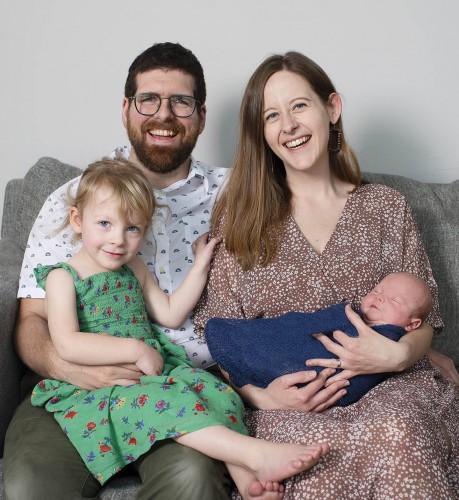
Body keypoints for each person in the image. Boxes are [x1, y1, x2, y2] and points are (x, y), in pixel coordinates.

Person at [193, 51, 459, 498]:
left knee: (398, 434)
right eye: (272, 115)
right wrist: (261, 397)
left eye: (299, 106)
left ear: (331, 108)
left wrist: (396, 357)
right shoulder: (239, 222)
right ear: (262, 134)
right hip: (286, 405)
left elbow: (424, 320)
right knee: (309, 456)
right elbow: (217, 335)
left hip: (390, 390)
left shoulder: (385, 208)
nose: (289, 125)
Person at [5, 42, 232, 500]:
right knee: (29, 484)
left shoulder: (238, 197)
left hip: (176, 385)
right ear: (126, 109)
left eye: (181, 102)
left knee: (191, 479)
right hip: (73, 379)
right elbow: (33, 320)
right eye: (148, 99)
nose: (163, 114)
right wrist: (66, 366)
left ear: (202, 116)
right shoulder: (72, 201)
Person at [31, 158, 329, 498]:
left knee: (216, 393)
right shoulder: (62, 277)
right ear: (77, 220)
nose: (118, 240)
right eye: (104, 223)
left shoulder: (134, 267)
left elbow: (170, 314)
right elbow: (67, 344)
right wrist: (135, 349)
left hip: (153, 370)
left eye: (132, 228)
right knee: (168, 404)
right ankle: (257, 455)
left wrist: (201, 264)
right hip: (102, 384)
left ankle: (247, 481)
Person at [205, 272, 432, 406]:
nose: (379, 298)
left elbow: (429, 328)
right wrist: (262, 400)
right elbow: (299, 325)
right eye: (376, 290)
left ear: (411, 325)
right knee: (288, 328)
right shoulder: (351, 316)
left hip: (360, 397)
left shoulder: (388, 206)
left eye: (394, 300)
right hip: (272, 396)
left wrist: (401, 354)